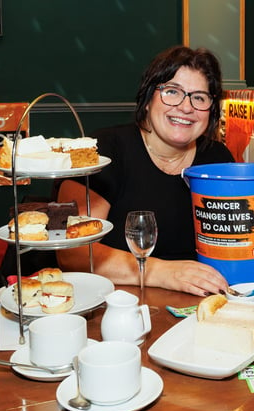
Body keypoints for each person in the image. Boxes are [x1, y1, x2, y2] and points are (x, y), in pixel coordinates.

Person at [57, 46, 233, 296]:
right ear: (148, 99)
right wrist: (163, 273)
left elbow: (234, 240)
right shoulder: (103, 151)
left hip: (196, 305)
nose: (186, 107)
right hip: (114, 306)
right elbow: (73, 253)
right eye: (172, 92)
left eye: (199, 97)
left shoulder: (218, 159)